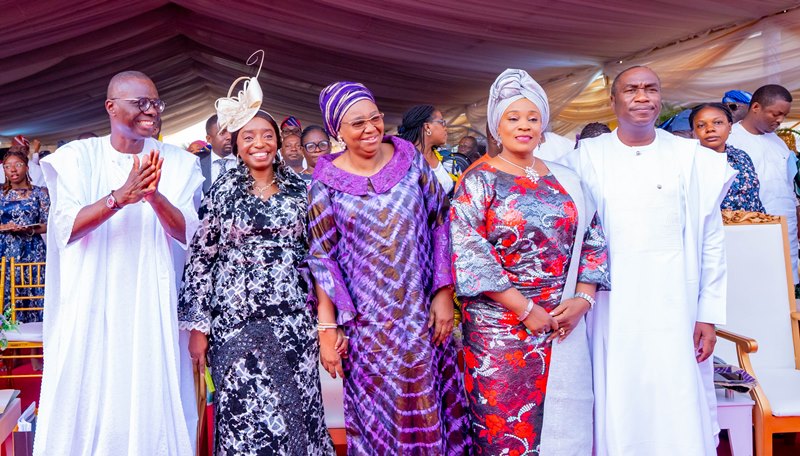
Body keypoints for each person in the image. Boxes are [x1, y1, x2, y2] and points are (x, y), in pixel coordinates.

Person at [562, 66, 734, 455]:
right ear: (613, 101)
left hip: (678, 305)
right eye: (631, 89)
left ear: (660, 97)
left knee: (677, 398)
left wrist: (707, 314)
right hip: (610, 307)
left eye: (650, 89)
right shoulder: (585, 158)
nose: (642, 97)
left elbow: (711, 243)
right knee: (618, 397)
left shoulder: (693, 158)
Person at [34, 70, 203, 456]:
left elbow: (187, 234)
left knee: (150, 390)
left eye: (156, 103)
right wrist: (119, 197)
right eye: (140, 103)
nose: (151, 111)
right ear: (111, 107)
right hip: (90, 302)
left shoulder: (177, 162)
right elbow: (66, 231)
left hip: (152, 305)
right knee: (88, 388)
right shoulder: (78, 157)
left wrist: (154, 197)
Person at [451, 69, 610, 455]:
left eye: (533, 118)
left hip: (561, 320)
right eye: (513, 117)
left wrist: (583, 299)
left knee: (565, 421)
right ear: (496, 125)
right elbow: (469, 253)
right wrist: (525, 310)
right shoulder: (478, 181)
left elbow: (592, 236)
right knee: (505, 427)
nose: (524, 126)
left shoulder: (567, 179)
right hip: (499, 329)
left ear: (544, 126)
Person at [307, 81, 471, 454]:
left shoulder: (409, 159)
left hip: (421, 315)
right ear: (337, 131)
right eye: (356, 123)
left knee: (430, 408)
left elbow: (441, 221)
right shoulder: (325, 182)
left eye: (375, 118)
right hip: (368, 328)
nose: (370, 129)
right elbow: (323, 258)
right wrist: (327, 329)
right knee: (378, 415)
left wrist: (444, 293)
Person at [179, 73, 334, 454]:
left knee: (297, 409)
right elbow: (202, 258)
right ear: (236, 145)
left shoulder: (305, 189)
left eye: (267, 135)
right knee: (240, 415)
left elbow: (322, 258)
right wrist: (199, 327)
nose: (259, 143)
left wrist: (327, 322)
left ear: (279, 143)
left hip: (292, 321)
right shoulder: (222, 191)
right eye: (248, 137)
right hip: (234, 322)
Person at [727, 84, 798, 284]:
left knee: (787, 285)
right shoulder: (731, 139)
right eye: (775, 114)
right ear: (756, 107)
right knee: (759, 284)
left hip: (787, 227)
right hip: (751, 228)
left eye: (784, 115)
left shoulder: (779, 142)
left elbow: (789, 185)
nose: (780, 120)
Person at [0, 150, 49, 322]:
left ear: (27, 168)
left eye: (18, 165)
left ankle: (38, 339)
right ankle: (10, 342)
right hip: (5, 251)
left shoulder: (40, 193)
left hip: (33, 251)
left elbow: (48, 224)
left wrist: (28, 230)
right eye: (7, 166)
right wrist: (4, 226)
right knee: (8, 290)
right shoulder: (0, 194)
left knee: (35, 289)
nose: (13, 170)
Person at [690, 102, 765, 213]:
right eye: (701, 125)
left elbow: (755, 199)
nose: (710, 129)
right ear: (693, 132)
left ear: (729, 127)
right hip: (708, 229)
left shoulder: (742, 157)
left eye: (718, 122)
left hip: (749, 227)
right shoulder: (688, 162)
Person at [397, 104, 455, 193]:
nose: (445, 128)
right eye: (442, 122)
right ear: (427, 127)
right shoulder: (402, 160)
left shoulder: (447, 157)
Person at [199, 114, 235, 194]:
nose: (229, 137)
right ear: (209, 139)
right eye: (222, 133)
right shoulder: (198, 167)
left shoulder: (247, 163)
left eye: (232, 132)